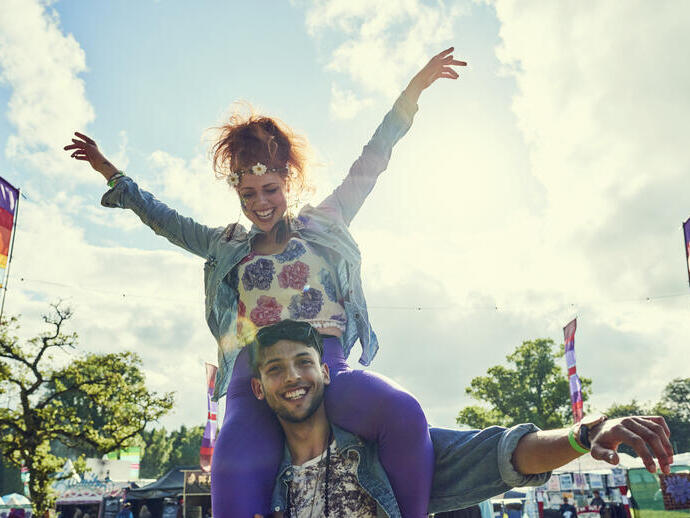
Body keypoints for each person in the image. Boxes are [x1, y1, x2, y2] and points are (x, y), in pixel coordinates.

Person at [64, 47, 466, 518]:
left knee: (403, 412)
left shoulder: (325, 223)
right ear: (237, 192)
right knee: (231, 465)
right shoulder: (226, 244)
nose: (260, 203)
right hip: (254, 377)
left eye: (270, 190)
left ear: (288, 182)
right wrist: (111, 172)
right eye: (248, 194)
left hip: (328, 366)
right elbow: (164, 220)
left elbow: (372, 160)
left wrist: (413, 90)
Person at [247, 319, 674, 518]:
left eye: (303, 362)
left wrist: (584, 433)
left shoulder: (387, 455)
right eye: (274, 369)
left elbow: (502, 455)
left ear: (325, 372)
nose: (292, 378)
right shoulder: (255, 481)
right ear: (259, 387)